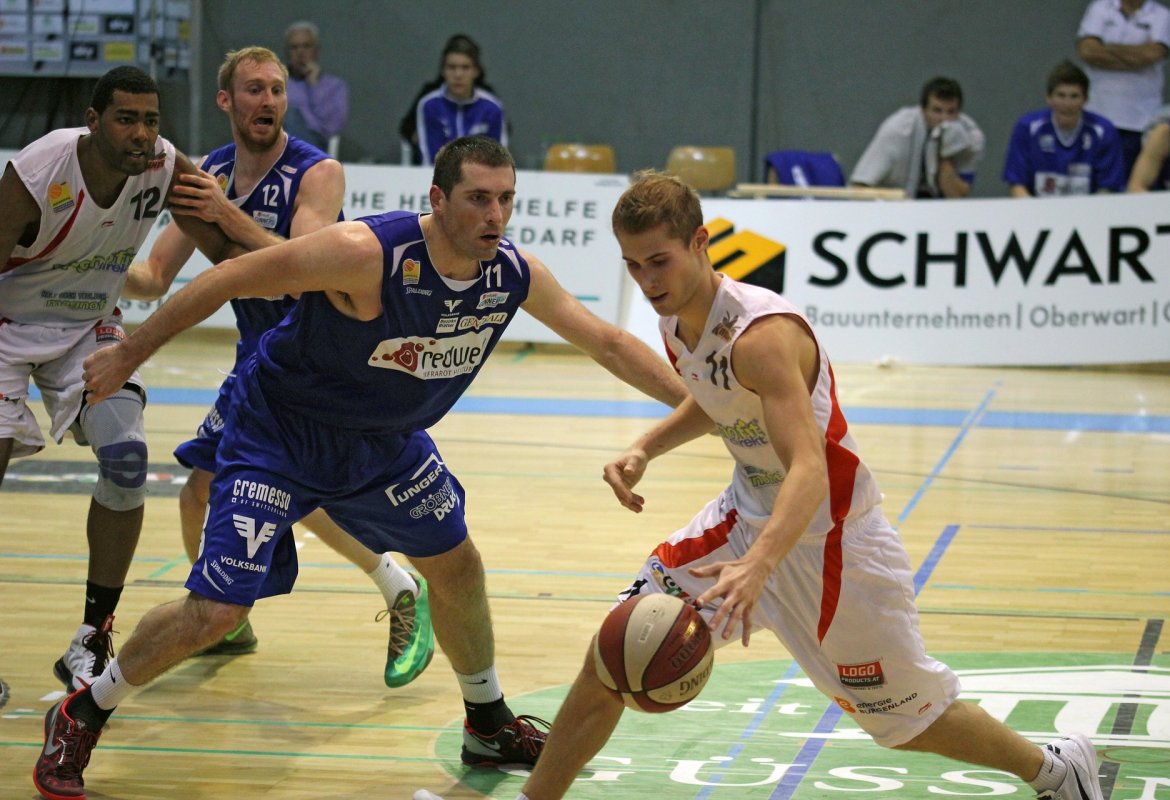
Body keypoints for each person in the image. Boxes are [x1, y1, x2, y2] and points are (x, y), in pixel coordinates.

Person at [33, 136, 688, 800]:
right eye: (478, 199)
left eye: (505, 200)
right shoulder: (368, 253)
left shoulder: (511, 274)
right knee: (218, 612)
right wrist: (129, 353)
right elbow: (224, 277)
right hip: (280, 433)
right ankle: (84, 710)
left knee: (457, 567)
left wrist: (704, 406)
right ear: (438, 199)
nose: (495, 215)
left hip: (383, 443)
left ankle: (487, 722)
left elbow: (610, 343)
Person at [421, 170, 1102, 800]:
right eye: (633, 265)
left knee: (904, 722)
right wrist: (645, 447)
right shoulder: (676, 320)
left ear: (700, 243)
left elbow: (808, 465)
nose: (647, 280)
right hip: (742, 522)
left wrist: (760, 565)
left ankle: (1056, 770)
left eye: (659, 261)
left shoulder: (761, 335)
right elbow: (717, 399)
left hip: (833, 544)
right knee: (617, 650)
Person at [122, 45, 433, 681]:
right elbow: (153, 276)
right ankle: (228, 619)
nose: (267, 100)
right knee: (198, 492)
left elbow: (302, 270)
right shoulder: (211, 170)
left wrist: (224, 214)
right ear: (226, 100)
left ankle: (399, 583)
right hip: (258, 360)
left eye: (276, 89)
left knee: (293, 487)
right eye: (254, 89)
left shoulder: (316, 172)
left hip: (319, 355)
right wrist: (81, 266)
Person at [0, 66, 259, 696]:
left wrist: (308, 274)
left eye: (151, 120)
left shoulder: (165, 165)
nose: (142, 133)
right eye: (126, 119)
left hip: (89, 326)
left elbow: (226, 254)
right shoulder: (39, 171)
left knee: (126, 459)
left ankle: (92, 635)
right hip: (7, 324)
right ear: (93, 121)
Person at [1076, 0, 1170, 184]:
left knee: (1130, 185)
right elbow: (1088, 51)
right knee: (1092, 184)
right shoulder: (1100, 8)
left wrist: (1106, 48)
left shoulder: (1162, 15)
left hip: (1140, 120)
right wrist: (1136, 54)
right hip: (1096, 117)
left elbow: (1150, 56)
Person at [1003, 60, 1125, 197]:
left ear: (1085, 99)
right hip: (1037, 207)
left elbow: (1108, 188)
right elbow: (1017, 184)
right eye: (1061, 95)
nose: (1067, 104)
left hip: (1089, 208)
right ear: (1049, 98)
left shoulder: (1103, 131)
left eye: (1074, 96)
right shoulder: (1027, 128)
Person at [849, 76, 984, 199]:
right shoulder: (898, 130)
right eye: (937, 111)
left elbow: (957, 197)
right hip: (892, 207)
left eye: (951, 112)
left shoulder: (970, 137)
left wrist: (945, 154)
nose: (944, 120)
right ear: (923, 110)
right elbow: (859, 187)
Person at [410, 35, 507, 166]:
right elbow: (430, 160)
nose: (458, 75)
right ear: (443, 71)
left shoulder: (492, 108)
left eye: (465, 67)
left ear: (476, 71)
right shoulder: (429, 105)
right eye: (452, 67)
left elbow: (498, 161)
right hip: (441, 176)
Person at [282, 20, 348, 153]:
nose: (300, 53)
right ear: (287, 53)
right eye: (294, 47)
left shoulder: (335, 86)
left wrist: (316, 86)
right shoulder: (276, 83)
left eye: (306, 46)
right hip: (275, 144)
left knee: (290, 113)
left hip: (314, 146)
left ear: (317, 50)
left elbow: (333, 128)